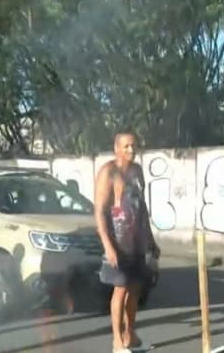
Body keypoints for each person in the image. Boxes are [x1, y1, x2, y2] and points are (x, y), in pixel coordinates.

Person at [94, 132, 160, 353]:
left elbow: (141, 208)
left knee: (135, 290)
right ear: (116, 148)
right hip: (118, 242)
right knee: (120, 290)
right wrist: (108, 246)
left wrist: (150, 239)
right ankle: (116, 341)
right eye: (126, 146)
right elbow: (100, 212)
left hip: (137, 242)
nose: (131, 150)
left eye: (134, 146)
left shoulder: (137, 171)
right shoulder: (108, 172)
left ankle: (130, 335)